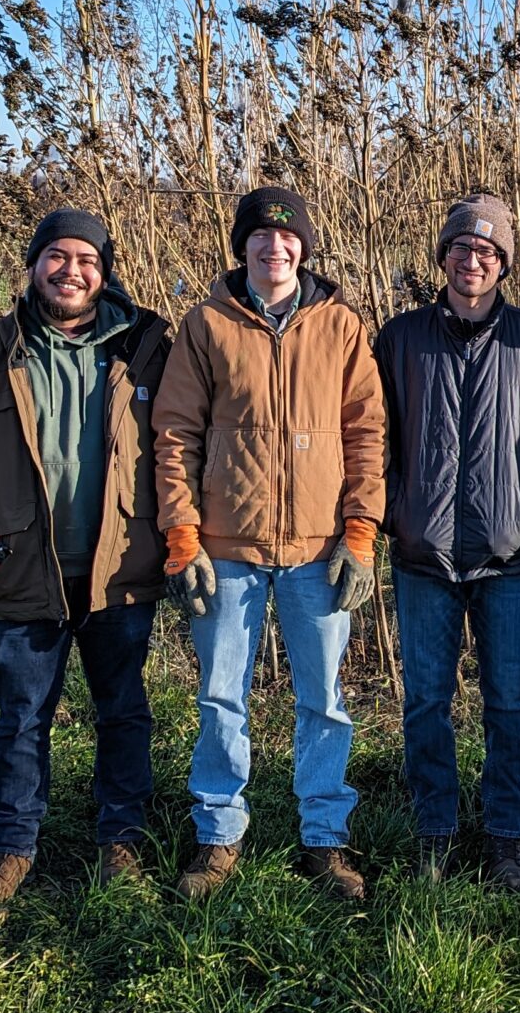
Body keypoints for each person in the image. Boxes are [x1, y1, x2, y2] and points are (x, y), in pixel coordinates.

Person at [0, 207, 172, 908]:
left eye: (86, 260)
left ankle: (121, 840)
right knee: (22, 715)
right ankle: (12, 848)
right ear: (32, 266)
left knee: (122, 711)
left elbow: (190, 440)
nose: (71, 271)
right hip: (21, 567)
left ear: (104, 272)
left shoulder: (148, 347)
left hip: (120, 569)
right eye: (56, 256)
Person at [153, 186, 387, 901]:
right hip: (227, 548)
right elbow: (175, 434)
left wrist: (360, 532)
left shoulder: (341, 326)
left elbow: (367, 433)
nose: (273, 247)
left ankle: (324, 837)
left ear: (304, 249)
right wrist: (183, 536)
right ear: (243, 247)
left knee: (324, 699)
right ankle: (219, 834)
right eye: (259, 236)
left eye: (287, 239)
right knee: (222, 696)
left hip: (320, 551)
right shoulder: (206, 325)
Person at [375, 194, 520, 890]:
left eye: (487, 252)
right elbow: (377, 438)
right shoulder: (399, 339)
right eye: (461, 249)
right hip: (423, 555)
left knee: (510, 700)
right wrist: (397, 512)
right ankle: (435, 830)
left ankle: (505, 837)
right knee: (426, 701)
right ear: (443, 257)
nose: (472, 261)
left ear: (504, 264)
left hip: (508, 559)